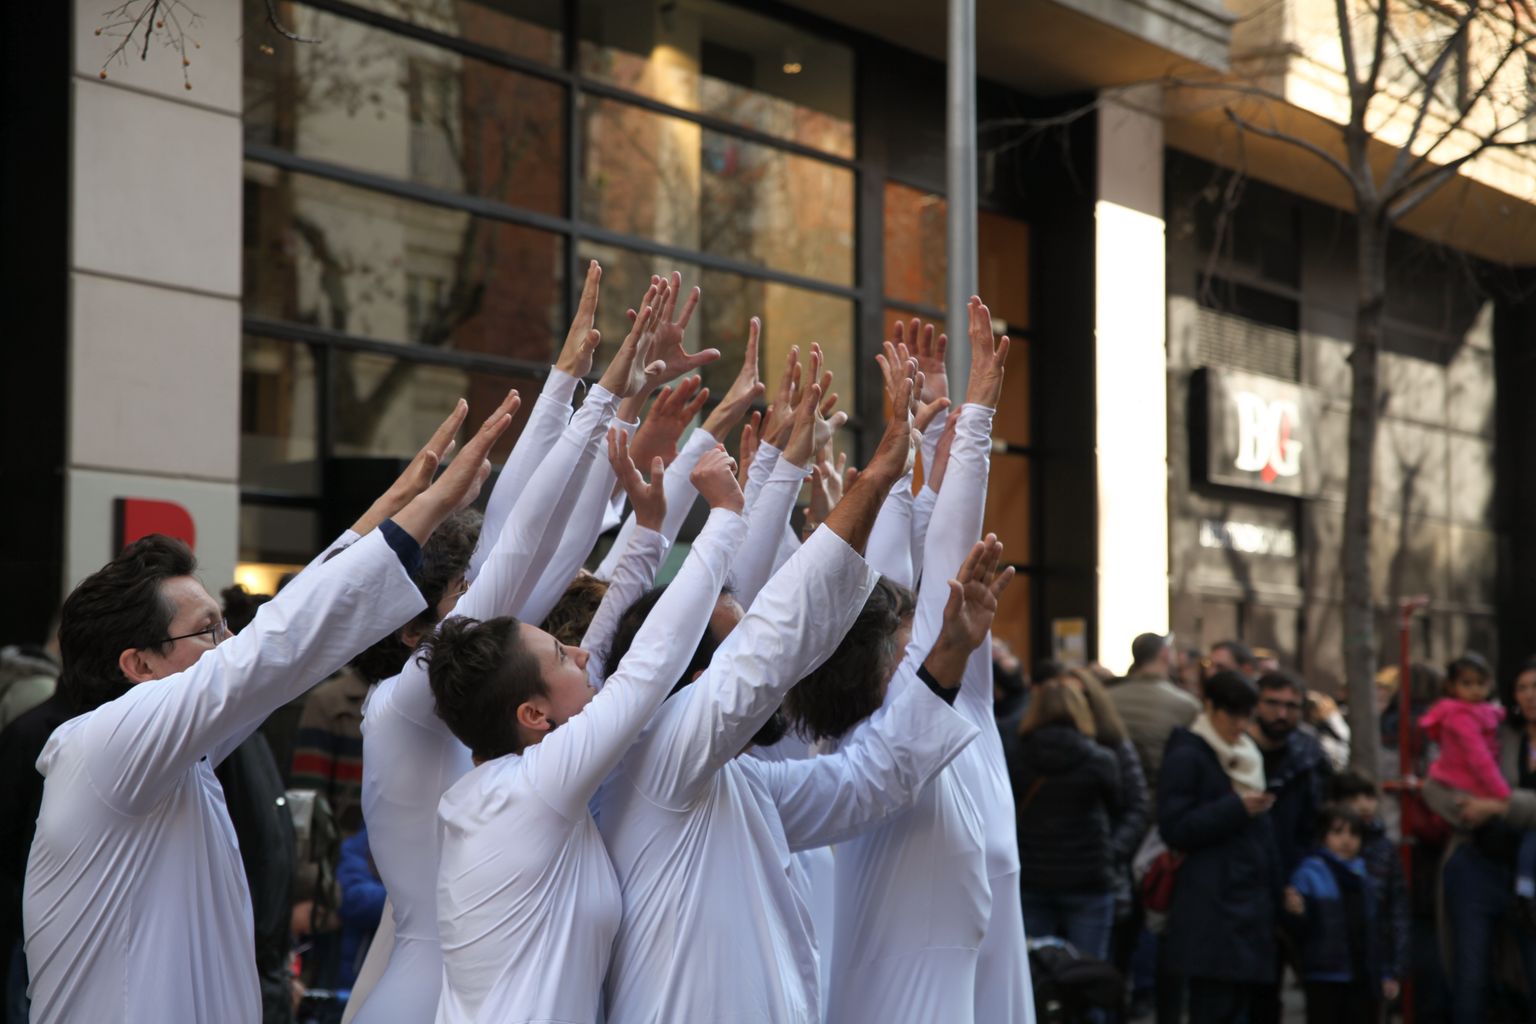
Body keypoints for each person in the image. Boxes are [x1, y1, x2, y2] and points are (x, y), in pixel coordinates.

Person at [20, 396, 514, 1024]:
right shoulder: (102, 747)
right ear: (138, 664)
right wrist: (432, 508)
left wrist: (393, 507)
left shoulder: (176, 758)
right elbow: (272, 649)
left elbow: (284, 645)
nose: (228, 643)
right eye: (208, 631)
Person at [594, 360, 996, 1024]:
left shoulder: (737, 784)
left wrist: (951, 649)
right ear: (692, 683)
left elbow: (873, 779)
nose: (771, 671)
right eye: (734, 643)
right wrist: (879, 476)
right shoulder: (659, 761)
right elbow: (778, 639)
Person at [425, 440, 743, 1023]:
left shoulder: (498, 785)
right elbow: (647, 670)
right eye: (560, 654)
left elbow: (595, 663)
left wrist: (650, 531)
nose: (580, 650)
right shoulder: (533, 787)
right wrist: (721, 519)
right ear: (533, 716)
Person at [1158, 670, 1281, 1024]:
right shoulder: (1188, 753)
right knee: (1214, 1006)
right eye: (1233, 715)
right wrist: (1237, 808)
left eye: (1247, 715)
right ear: (1210, 707)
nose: (1241, 725)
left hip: (1249, 905)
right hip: (1210, 908)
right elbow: (1176, 828)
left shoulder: (1248, 754)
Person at [1424, 655, 1536, 1024]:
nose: (1530, 695)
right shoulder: (1493, 731)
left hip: (1529, 872)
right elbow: (1435, 787)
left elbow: (1503, 804)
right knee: (1470, 978)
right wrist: (1471, 811)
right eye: (1522, 687)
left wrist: (1499, 807)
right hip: (1478, 862)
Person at [1009, 677, 1122, 961]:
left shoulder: (1015, 757)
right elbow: (1118, 808)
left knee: (1035, 971)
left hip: (1032, 876)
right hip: (1088, 877)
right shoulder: (1099, 760)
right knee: (1090, 973)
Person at [1283, 804, 1389, 1024]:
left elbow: (1376, 929)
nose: (1346, 840)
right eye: (1337, 832)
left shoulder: (1363, 876)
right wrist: (1297, 911)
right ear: (1323, 837)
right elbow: (1296, 930)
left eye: (1353, 833)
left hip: (1361, 975)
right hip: (1325, 976)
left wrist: (1385, 973)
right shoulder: (1310, 874)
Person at [1329, 770, 1407, 1004]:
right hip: (1333, 964)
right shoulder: (1325, 851)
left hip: (1376, 960)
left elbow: (1398, 910)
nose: (1363, 805)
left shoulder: (1385, 849)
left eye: (1368, 797)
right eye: (1354, 799)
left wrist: (1396, 967)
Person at [1109, 631, 1199, 812]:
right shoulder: (1186, 704)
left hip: (1115, 798)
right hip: (1161, 802)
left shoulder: (1107, 698)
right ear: (1164, 654)